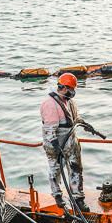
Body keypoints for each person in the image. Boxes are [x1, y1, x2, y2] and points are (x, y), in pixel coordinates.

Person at [40, 72, 89, 212]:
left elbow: (75, 118)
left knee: (76, 168)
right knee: (55, 168)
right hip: (55, 142)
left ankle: (78, 198)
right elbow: (49, 130)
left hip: (71, 141)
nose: (73, 92)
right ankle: (58, 196)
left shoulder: (70, 102)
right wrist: (56, 146)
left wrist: (84, 124)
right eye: (71, 89)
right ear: (64, 87)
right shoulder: (49, 104)